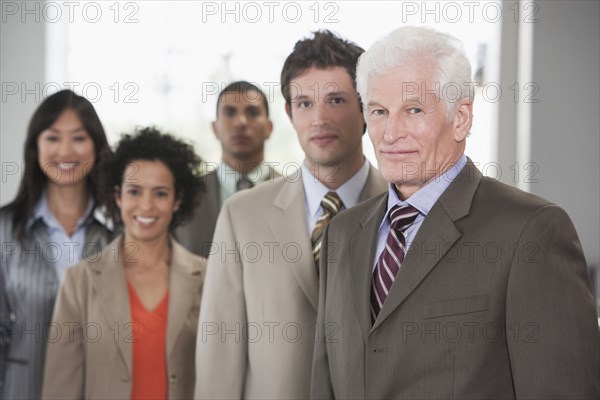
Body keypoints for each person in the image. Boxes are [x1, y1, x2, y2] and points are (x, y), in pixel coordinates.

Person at [311, 26, 600, 399]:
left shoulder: (531, 231)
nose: (390, 133)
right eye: (379, 111)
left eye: (413, 110)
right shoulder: (343, 231)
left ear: (461, 117)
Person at [194, 30, 388, 400]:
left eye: (336, 100)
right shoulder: (242, 216)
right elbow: (220, 346)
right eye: (304, 103)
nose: (319, 118)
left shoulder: (401, 212)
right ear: (288, 113)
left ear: (365, 107)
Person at [42, 128, 207, 399]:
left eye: (161, 194)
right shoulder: (79, 282)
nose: (146, 205)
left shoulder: (207, 277)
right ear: (118, 196)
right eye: (134, 191)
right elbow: (60, 386)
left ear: (178, 200)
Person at [0, 89, 113, 400]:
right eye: (52, 138)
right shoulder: (5, 229)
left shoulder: (120, 232)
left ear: (97, 147)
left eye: (78, 138)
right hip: (23, 389)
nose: (65, 151)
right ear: (35, 147)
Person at [176, 81, 279, 258]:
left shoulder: (297, 193)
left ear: (269, 128)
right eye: (230, 112)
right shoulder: (183, 196)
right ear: (215, 128)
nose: (240, 122)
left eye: (252, 112)